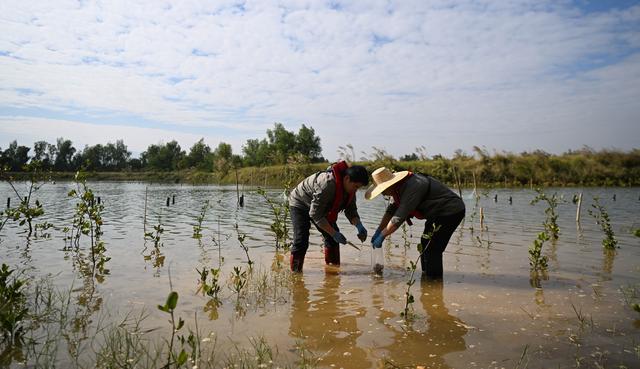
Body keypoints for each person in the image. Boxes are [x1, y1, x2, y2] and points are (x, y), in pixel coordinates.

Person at [365, 167, 465, 279]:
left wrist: (383, 235)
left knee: (432, 249)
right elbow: (391, 211)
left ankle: (434, 283)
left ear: (390, 184)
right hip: (435, 214)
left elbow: (398, 217)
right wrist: (379, 230)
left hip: (450, 211)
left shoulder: (413, 186)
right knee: (425, 244)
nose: (383, 194)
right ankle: (427, 278)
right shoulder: (397, 190)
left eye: (383, 190)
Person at [288, 161, 369, 272]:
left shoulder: (350, 189)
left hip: (319, 207)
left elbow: (351, 211)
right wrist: (334, 233)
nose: (355, 190)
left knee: (332, 240)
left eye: (358, 188)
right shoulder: (327, 184)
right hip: (300, 203)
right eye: (355, 186)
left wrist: (359, 225)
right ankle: (296, 275)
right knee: (301, 240)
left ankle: (333, 271)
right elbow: (315, 215)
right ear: (347, 179)